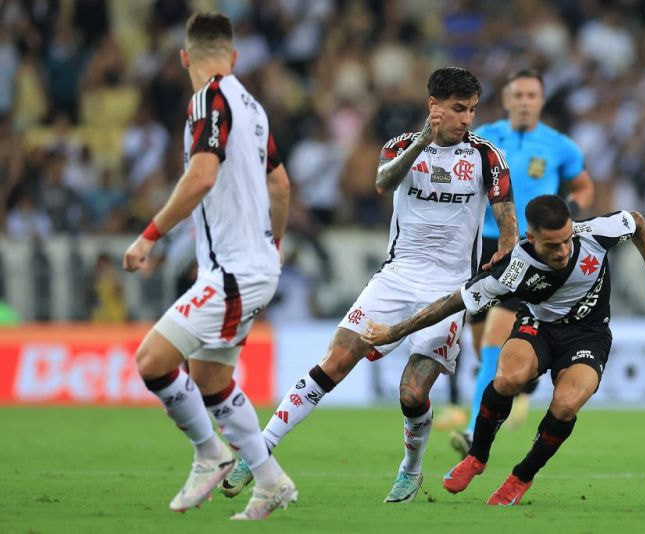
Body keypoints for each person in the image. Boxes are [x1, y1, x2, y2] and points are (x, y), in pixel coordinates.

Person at [221, 66, 518, 504]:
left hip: (450, 288)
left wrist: (504, 255)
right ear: (433, 106)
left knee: (412, 393)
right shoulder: (400, 146)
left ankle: (410, 468)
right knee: (335, 361)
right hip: (396, 277)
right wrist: (422, 141)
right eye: (459, 109)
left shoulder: (487, 157)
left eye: (472, 109)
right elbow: (382, 182)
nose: (467, 119)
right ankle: (260, 449)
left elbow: (507, 220)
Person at [362, 195, 645, 505]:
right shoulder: (512, 269)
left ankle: (521, 477)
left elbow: (636, 222)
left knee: (566, 405)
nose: (563, 251)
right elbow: (451, 303)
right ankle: (476, 457)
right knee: (508, 378)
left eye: (566, 240)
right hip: (538, 328)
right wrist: (394, 331)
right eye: (552, 245)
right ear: (531, 237)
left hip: (588, 336)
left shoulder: (594, 233)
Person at [122, 12, 292, 520]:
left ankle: (209, 453)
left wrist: (149, 236)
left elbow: (201, 177)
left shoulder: (207, 99)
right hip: (251, 266)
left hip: (235, 270)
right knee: (211, 378)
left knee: (152, 361)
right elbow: (281, 185)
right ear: (234, 56)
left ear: (184, 58)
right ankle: (271, 481)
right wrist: (275, 243)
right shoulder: (253, 107)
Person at [454, 69, 594, 457]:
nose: (525, 102)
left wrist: (568, 214)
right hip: (482, 244)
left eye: (532, 95)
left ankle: (473, 431)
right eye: (518, 95)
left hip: (528, 248)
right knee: (481, 345)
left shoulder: (559, 146)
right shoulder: (482, 139)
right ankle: (526, 382)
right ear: (506, 100)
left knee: (495, 337)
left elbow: (584, 186)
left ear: (541, 101)